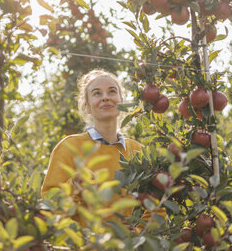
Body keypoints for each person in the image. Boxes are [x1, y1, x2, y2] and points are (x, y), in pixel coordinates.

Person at [41, 68, 166, 230]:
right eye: (97, 93)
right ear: (87, 106)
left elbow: (158, 208)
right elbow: (49, 201)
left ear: (121, 101)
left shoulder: (137, 151)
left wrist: (136, 237)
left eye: (112, 91)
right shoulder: (69, 147)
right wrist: (75, 185)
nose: (105, 97)